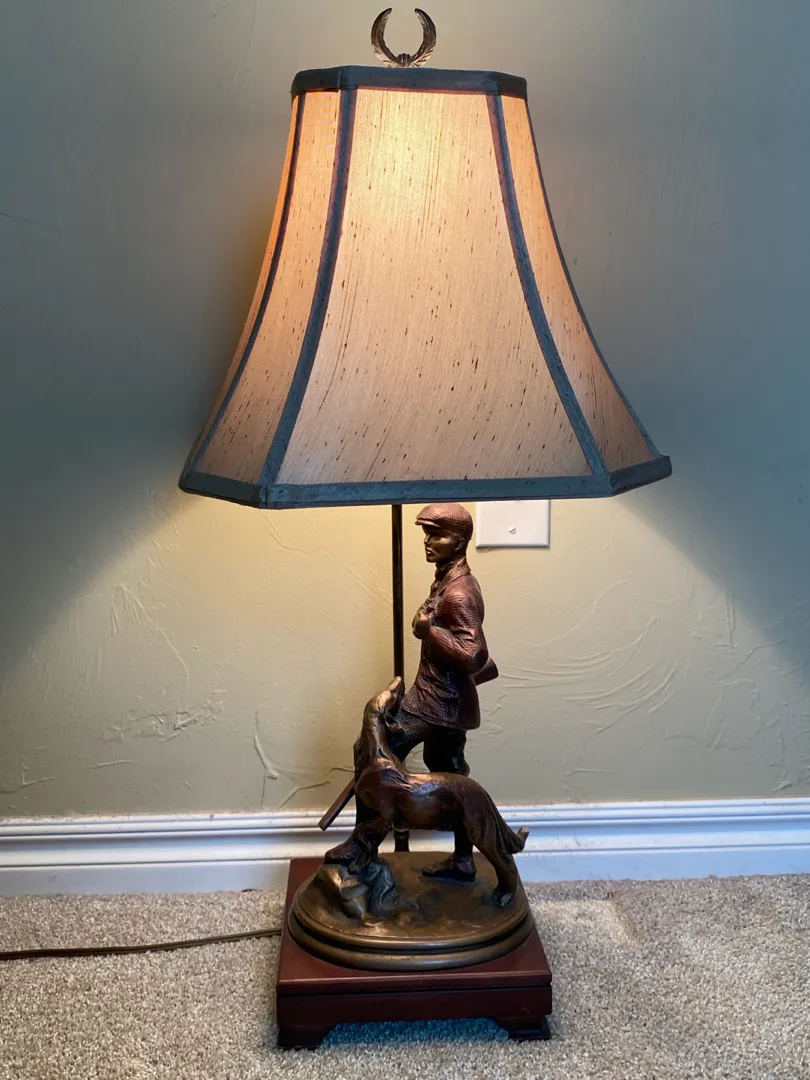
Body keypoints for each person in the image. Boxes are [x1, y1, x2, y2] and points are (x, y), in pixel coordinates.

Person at [325, 503, 498, 881]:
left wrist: (429, 631)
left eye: (438, 535)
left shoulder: (458, 593)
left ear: (460, 542)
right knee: (451, 775)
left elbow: (475, 654)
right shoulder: (447, 579)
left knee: (373, 756)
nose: (427, 542)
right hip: (446, 702)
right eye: (426, 534)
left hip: (437, 702)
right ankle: (462, 860)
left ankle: (361, 847)